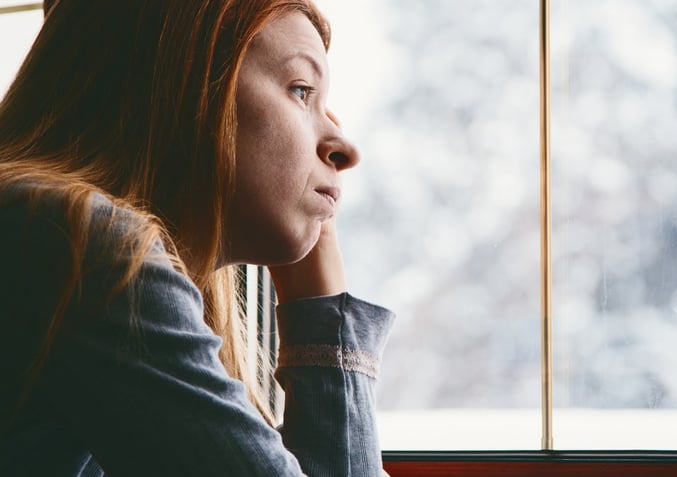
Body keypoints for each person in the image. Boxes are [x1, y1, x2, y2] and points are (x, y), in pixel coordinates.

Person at [0, 0, 394, 475]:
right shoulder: (84, 244)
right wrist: (322, 308)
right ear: (182, 86)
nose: (345, 148)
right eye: (301, 90)